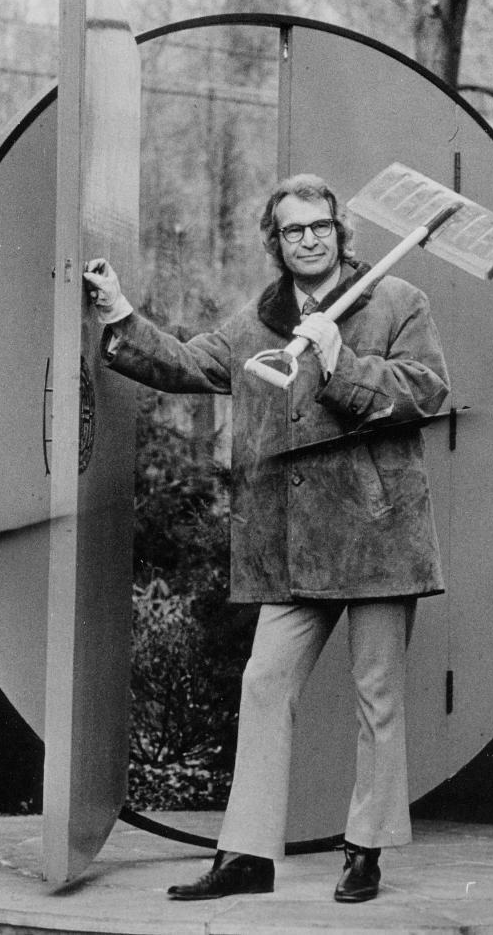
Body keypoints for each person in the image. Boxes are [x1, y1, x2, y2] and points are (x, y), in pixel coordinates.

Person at [84, 172, 450, 903]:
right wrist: (121, 311)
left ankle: (365, 848)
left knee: (377, 693)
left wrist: (341, 360)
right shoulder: (256, 322)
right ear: (275, 242)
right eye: (292, 230)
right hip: (291, 540)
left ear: (340, 232)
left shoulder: (400, 302)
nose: (308, 239)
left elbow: (426, 390)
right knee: (265, 680)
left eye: (319, 226)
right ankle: (247, 853)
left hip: (377, 534)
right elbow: (189, 363)